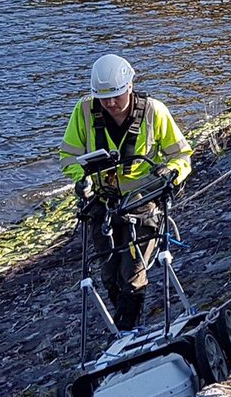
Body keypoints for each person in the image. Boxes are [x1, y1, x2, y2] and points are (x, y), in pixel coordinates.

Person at [57, 54, 193, 329]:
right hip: (101, 205)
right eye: (103, 98)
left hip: (141, 204)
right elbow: (68, 157)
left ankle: (127, 327)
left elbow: (182, 156)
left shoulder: (154, 111)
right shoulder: (84, 112)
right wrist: (81, 180)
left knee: (132, 272)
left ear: (130, 87)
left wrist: (170, 173)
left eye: (116, 96)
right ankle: (122, 321)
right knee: (108, 273)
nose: (109, 104)